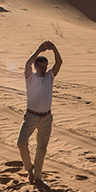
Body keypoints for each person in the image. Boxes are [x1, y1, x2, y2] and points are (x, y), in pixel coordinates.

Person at [18, 39, 62, 184]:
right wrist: (39, 50)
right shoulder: (30, 77)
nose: (43, 69)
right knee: (21, 142)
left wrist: (54, 48)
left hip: (46, 118)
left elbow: (59, 63)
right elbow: (27, 64)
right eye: (41, 67)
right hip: (31, 116)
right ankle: (29, 168)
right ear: (36, 67)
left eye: (45, 67)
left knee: (41, 148)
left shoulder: (50, 76)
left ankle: (37, 176)